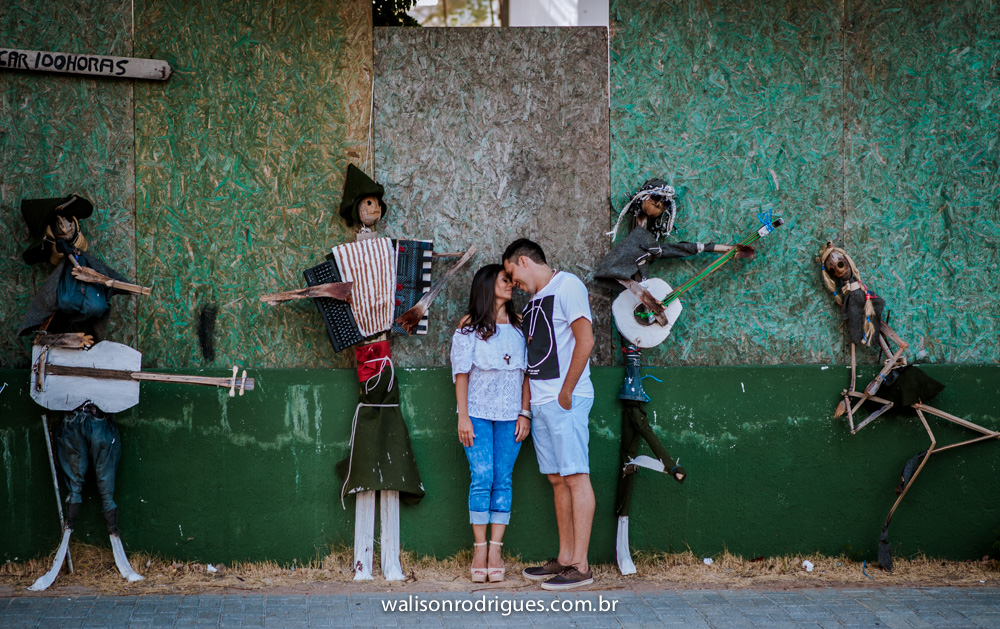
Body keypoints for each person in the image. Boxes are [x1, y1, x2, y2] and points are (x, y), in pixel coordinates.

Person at [502, 239, 596, 590]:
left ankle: (582, 566)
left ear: (523, 261)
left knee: (575, 476)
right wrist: (529, 408)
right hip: (541, 404)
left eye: (512, 275)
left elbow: (584, 341)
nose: (514, 284)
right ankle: (565, 558)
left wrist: (567, 391)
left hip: (565, 400)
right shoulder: (534, 301)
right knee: (557, 479)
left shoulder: (568, 285)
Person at [450, 264, 531, 583]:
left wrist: (525, 413)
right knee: (482, 476)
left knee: (503, 479)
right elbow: (461, 375)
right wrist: (463, 415)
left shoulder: (519, 326)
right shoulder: (468, 329)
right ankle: (479, 549)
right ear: (487, 285)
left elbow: (526, 375)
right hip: (478, 415)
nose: (511, 285)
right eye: (504, 280)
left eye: (512, 280)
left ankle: (496, 550)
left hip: (512, 416)